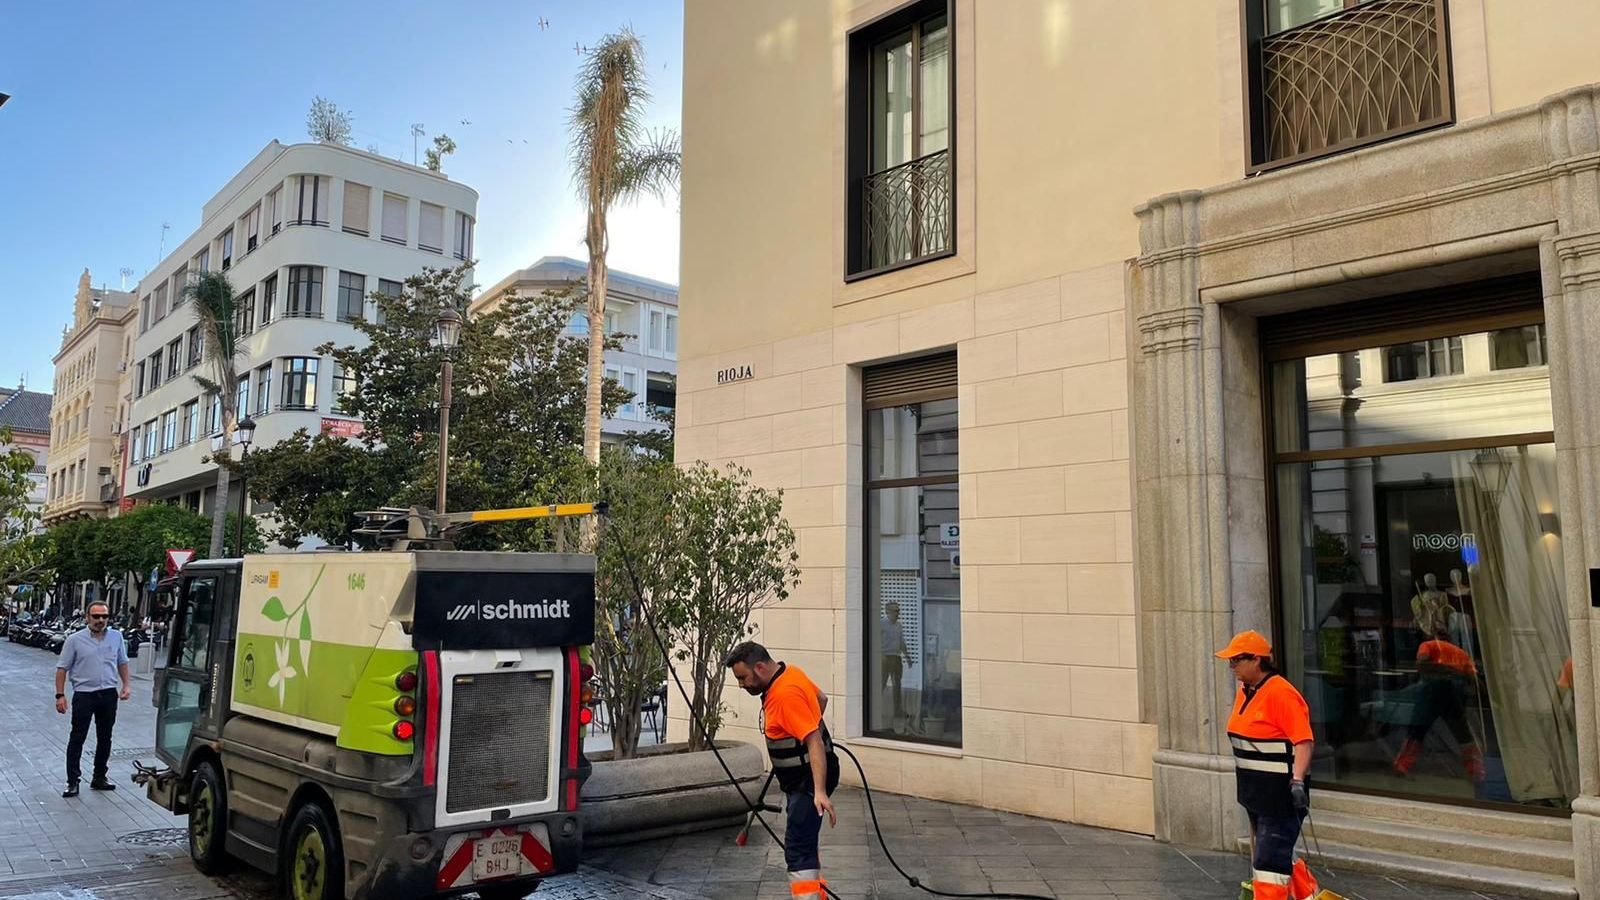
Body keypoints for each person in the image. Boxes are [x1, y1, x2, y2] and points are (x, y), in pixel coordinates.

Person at [725, 641, 839, 900]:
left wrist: (819, 791)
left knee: (797, 846)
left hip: (807, 781)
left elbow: (814, 741)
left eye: (743, 678)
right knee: (805, 838)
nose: (741, 685)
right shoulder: (791, 672)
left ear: (761, 667)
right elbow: (822, 698)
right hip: (804, 777)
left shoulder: (784, 694)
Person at [1216, 630, 1318, 900]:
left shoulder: (1281, 693)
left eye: (1236, 660)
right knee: (1279, 855)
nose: (1232, 667)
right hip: (1254, 795)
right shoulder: (1245, 691)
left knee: (1268, 865)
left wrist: (1297, 782)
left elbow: (1304, 741)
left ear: (1257, 660)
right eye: (1230, 661)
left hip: (1280, 796)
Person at [54, 601, 131, 798]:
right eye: (96, 616)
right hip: (84, 695)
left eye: (104, 616)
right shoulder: (74, 640)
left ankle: (99, 777)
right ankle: (72, 781)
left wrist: (126, 685)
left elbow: (122, 662)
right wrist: (60, 695)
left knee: (105, 737)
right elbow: (62, 668)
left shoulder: (116, 637)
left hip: (108, 694)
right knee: (77, 737)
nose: (100, 620)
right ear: (87, 617)